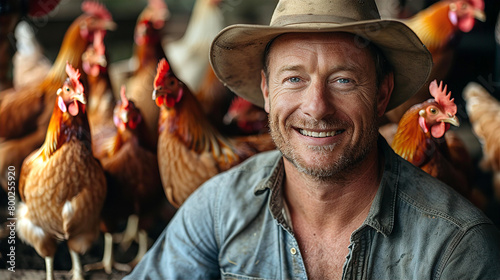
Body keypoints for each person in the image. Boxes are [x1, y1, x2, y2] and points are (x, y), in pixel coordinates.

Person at [124, 0, 500, 279]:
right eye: (294, 79)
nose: (317, 108)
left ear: (383, 94)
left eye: (343, 80)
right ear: (266, 91)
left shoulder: (454, 248)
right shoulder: (219, 209)